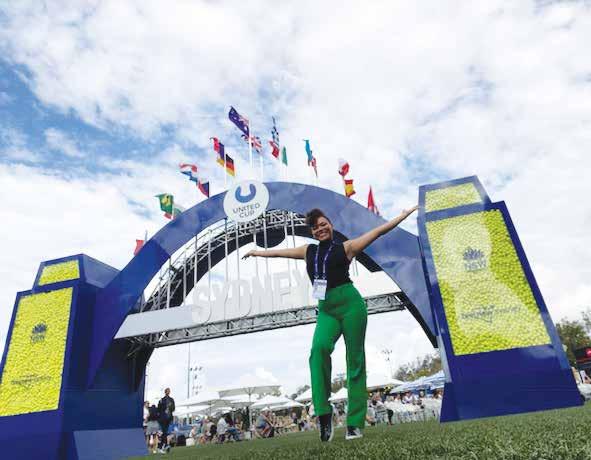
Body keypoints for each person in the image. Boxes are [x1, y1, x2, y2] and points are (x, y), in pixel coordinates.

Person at [244, 205, 418, 442]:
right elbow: (279, 253)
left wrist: (403, 216)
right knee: (318, 350)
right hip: (326, 310)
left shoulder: (346, 248)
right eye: (315, 228)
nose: (320, 229)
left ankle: (354, 424)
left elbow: (378, 232)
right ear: (312, 232)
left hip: (350, 305)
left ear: (331, 225)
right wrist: (257, 252)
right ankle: (324, 414)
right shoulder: (308, 251)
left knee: (355, 360)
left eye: (323, 224)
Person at [157, 388, 175, 453]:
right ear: (165, 392)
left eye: (169, 391)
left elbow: (173, 408)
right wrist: (164, 410)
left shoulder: (171, 399)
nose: (168, 392)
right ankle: (164, 446)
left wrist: (170, 407)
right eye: (167, 391)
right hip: (163, 418)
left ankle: (162, 446)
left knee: (165, 433)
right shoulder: (162, 400)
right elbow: (158, 409)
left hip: (168, 418)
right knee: (164, 432)